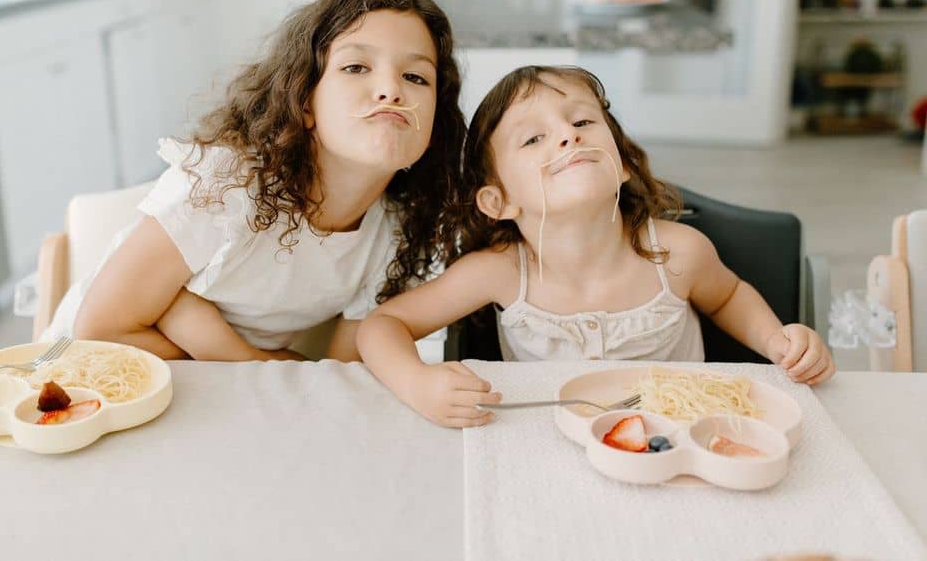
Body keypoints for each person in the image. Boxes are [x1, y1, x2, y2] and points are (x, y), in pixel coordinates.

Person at [356, 65, 835, 428]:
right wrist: (415, 383)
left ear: (622, 164)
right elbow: (384, 325)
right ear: (498, 201)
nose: (568, 135)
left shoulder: (676, 254)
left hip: (683, 439)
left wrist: (778, 340)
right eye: (534, 138)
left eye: (583, 122)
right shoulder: (499, 273)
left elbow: (728, 296)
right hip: (552, 445)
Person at [43, 0, 466, 362]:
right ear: (304, 104)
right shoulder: (227, 185)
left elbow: (339, 374)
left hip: (222, 387)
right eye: (356, 67)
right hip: (74, 366)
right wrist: (246, 359)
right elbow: (101, 332)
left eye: (415, 76)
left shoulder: (397, 230)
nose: (391, 89)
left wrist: (210, 336)